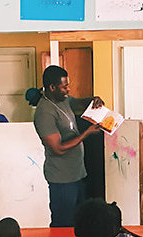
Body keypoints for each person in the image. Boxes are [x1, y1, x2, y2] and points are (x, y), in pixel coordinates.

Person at [34, 65, 104, 227]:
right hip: (62, 180)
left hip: (78, 174)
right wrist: (86, 134)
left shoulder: (63, 100)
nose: (68, 89)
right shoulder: (45, 113)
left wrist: (92, 99)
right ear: (52, 88)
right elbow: (57, 148)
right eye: (64, 86)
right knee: (63, 224)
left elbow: (77, 102)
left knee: (80, 223)